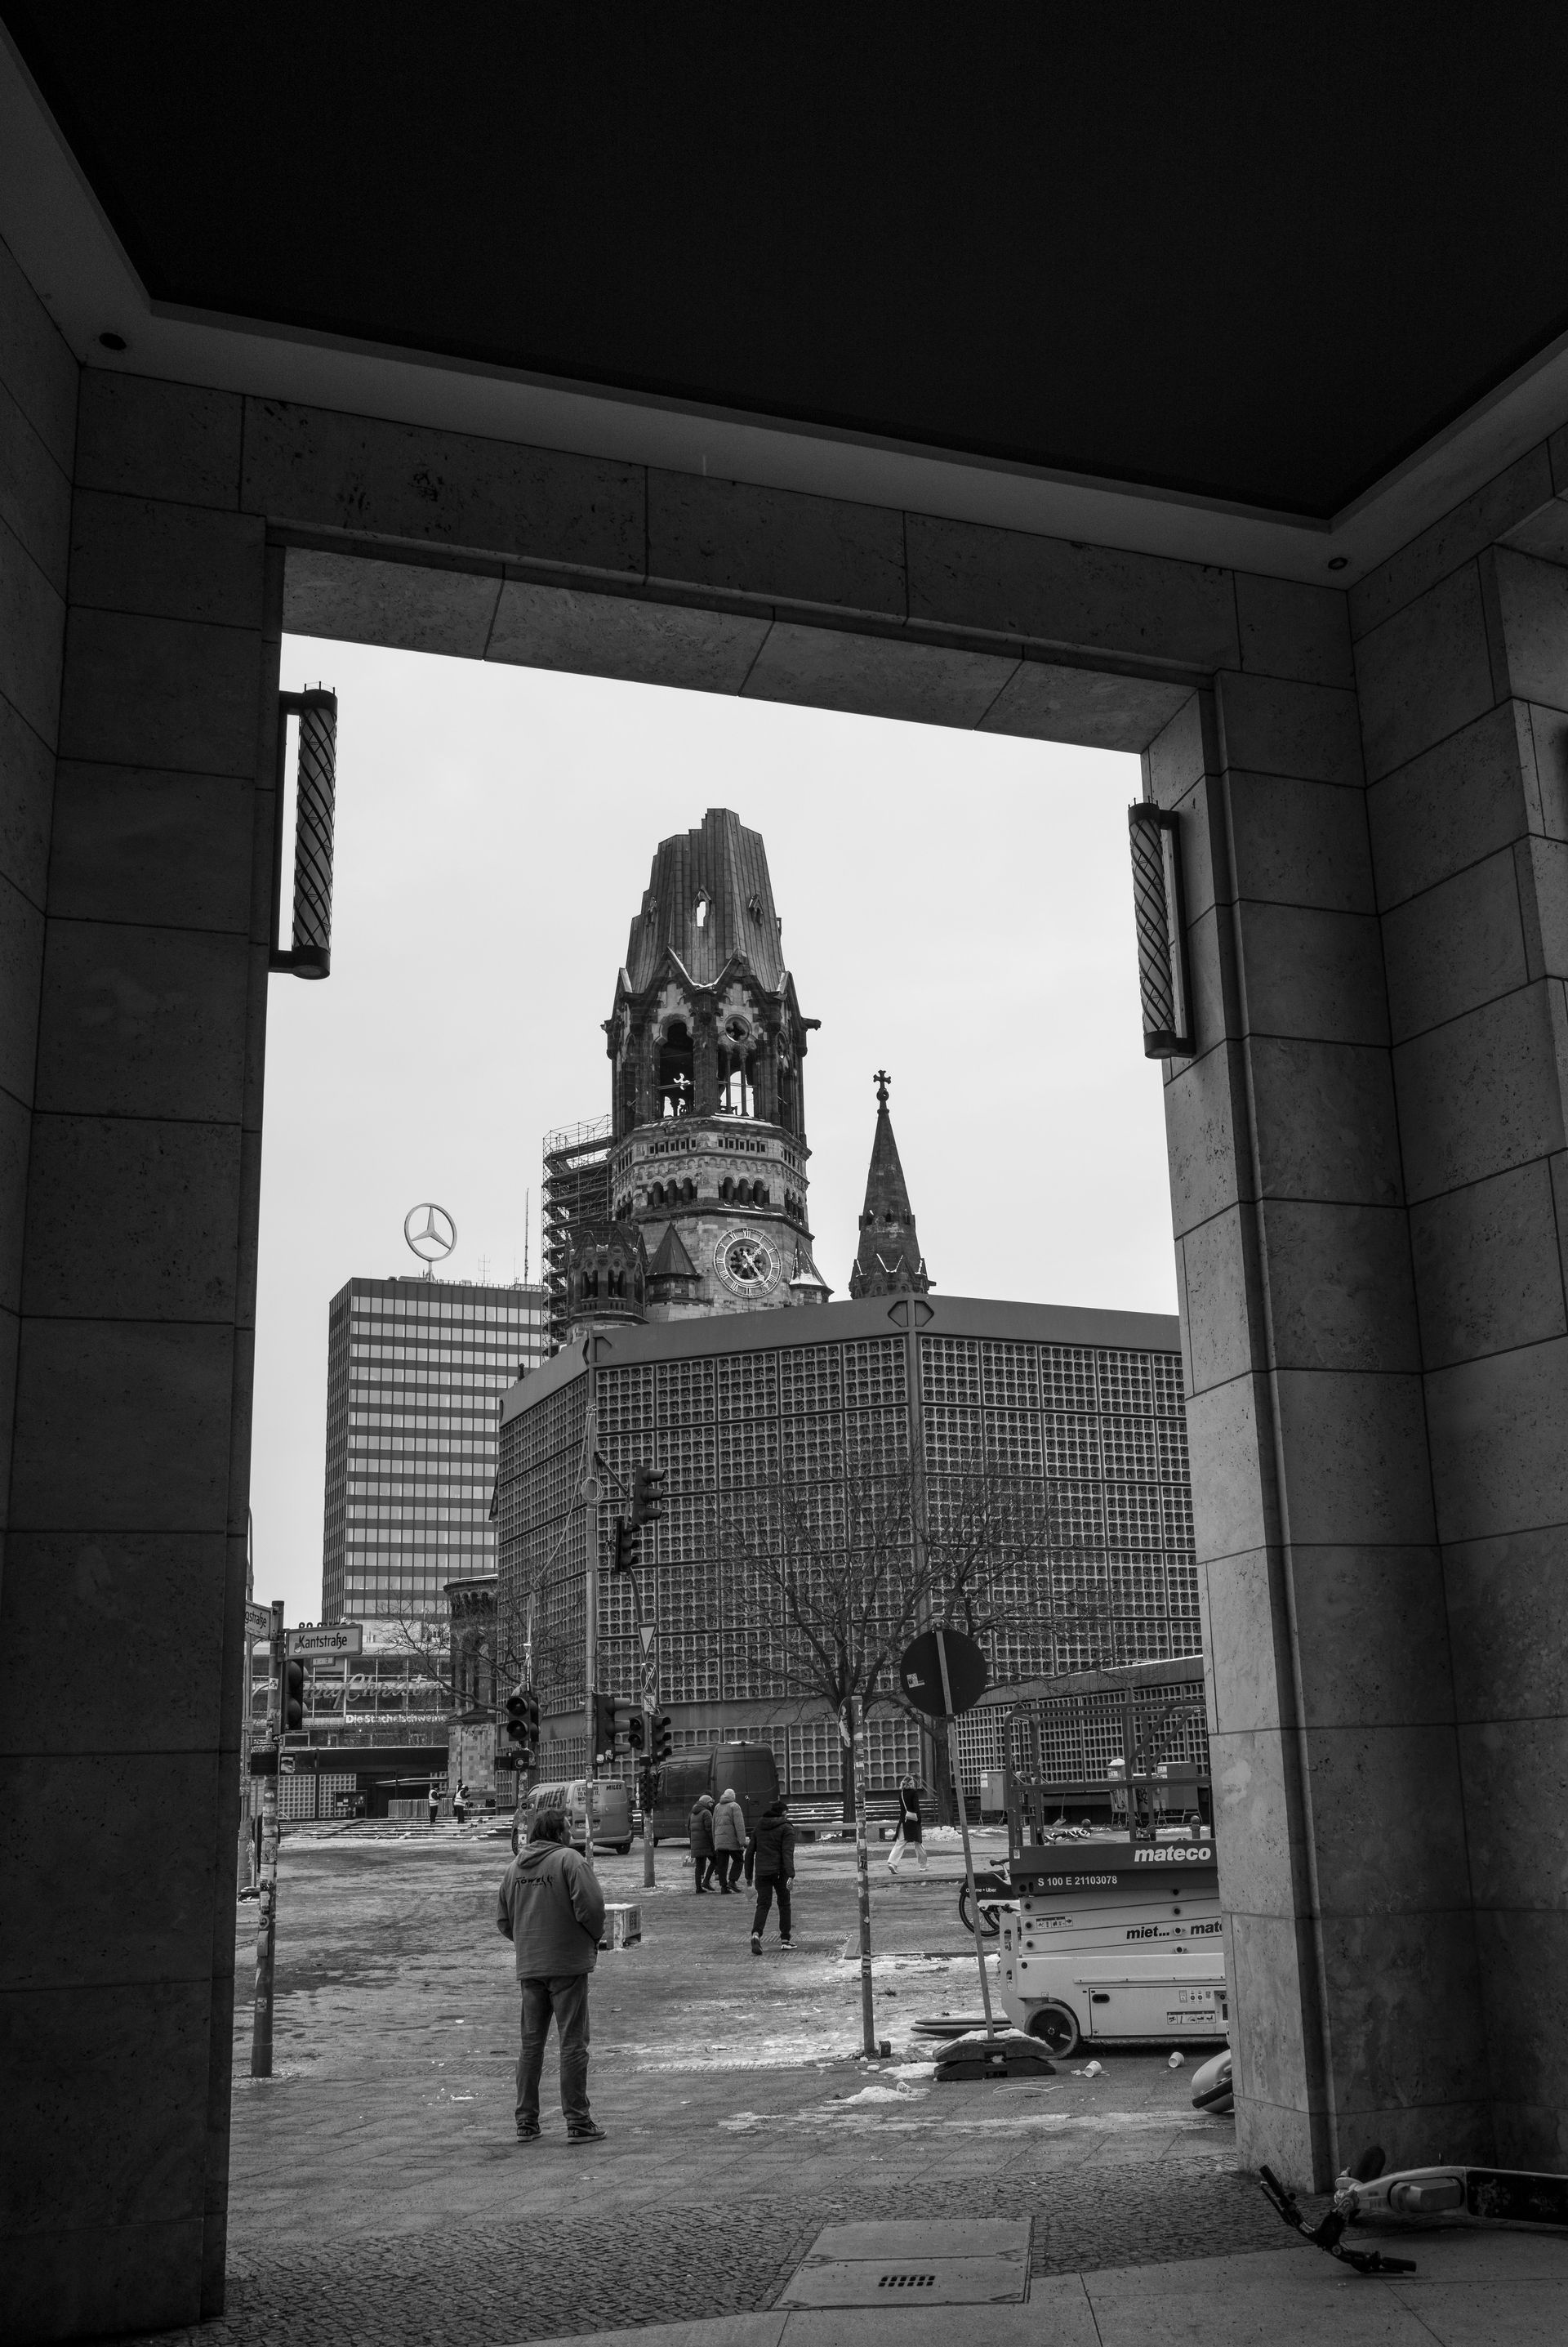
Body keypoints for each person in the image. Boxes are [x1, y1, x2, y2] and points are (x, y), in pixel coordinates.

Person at [496, 1808, 607, 2144]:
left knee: (531, 2046)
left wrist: (528, 1942)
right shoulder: (569, 1861)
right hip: (567, 1965)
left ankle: (526, 2122)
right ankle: (577, 2120)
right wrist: (589, 1938)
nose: (571, 1833)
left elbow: (503, 1919)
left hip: (531, 1966)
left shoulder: (514, 1869)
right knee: (573, 2043)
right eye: (568, 1828)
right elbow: (592, 1907)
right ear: (558, 1833)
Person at [744, 1794, 795, 1953]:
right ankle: (785, 1939)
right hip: (780, 1872)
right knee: (784, 1904)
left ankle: (756, 1934)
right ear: (784, 1813)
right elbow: (787, 1853)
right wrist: (791, 1875)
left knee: (763, 1904)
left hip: (762, 1873)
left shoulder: (760, 1826)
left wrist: (748, 1877)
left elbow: (750, 1852)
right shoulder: (786, 1827)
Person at [887, 1773, 927, 1875]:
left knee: (900, 1843)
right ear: (911, 1783)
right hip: (913, 1821)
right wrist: (919, 1819)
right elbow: (916, 1807)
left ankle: (892, 1863)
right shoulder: (914, 1793)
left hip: (903, 1821)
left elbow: (902, 1810)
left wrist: (901, 1820)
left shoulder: (901, 1794)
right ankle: (923, 1865)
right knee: (918, 1843)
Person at [711, 1785, 746, 1891]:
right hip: (732, 1841)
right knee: (739, 1860)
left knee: (722, 1864)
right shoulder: (735, 1806)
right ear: (733, 1796)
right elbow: (739, 1825)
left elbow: (713, 1826)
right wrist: (742, 1841)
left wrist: (715, 1841)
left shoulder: (717, 1807)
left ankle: (723, 1887)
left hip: (720, 1841)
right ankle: (732, 1881)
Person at [689, 1791, 716, 1891]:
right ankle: (706, 1881)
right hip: (706, 1843)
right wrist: (713, 1843)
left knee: (699, 1866)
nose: (712, 1804)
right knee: (715, 1861)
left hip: (696, 1843)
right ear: (705, 1803)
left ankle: (698, 1887)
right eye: (710, 1802)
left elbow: (689, 1829)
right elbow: (710, 1829)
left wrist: (692, 1842)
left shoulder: (692, 1813)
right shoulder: (706, 1813)